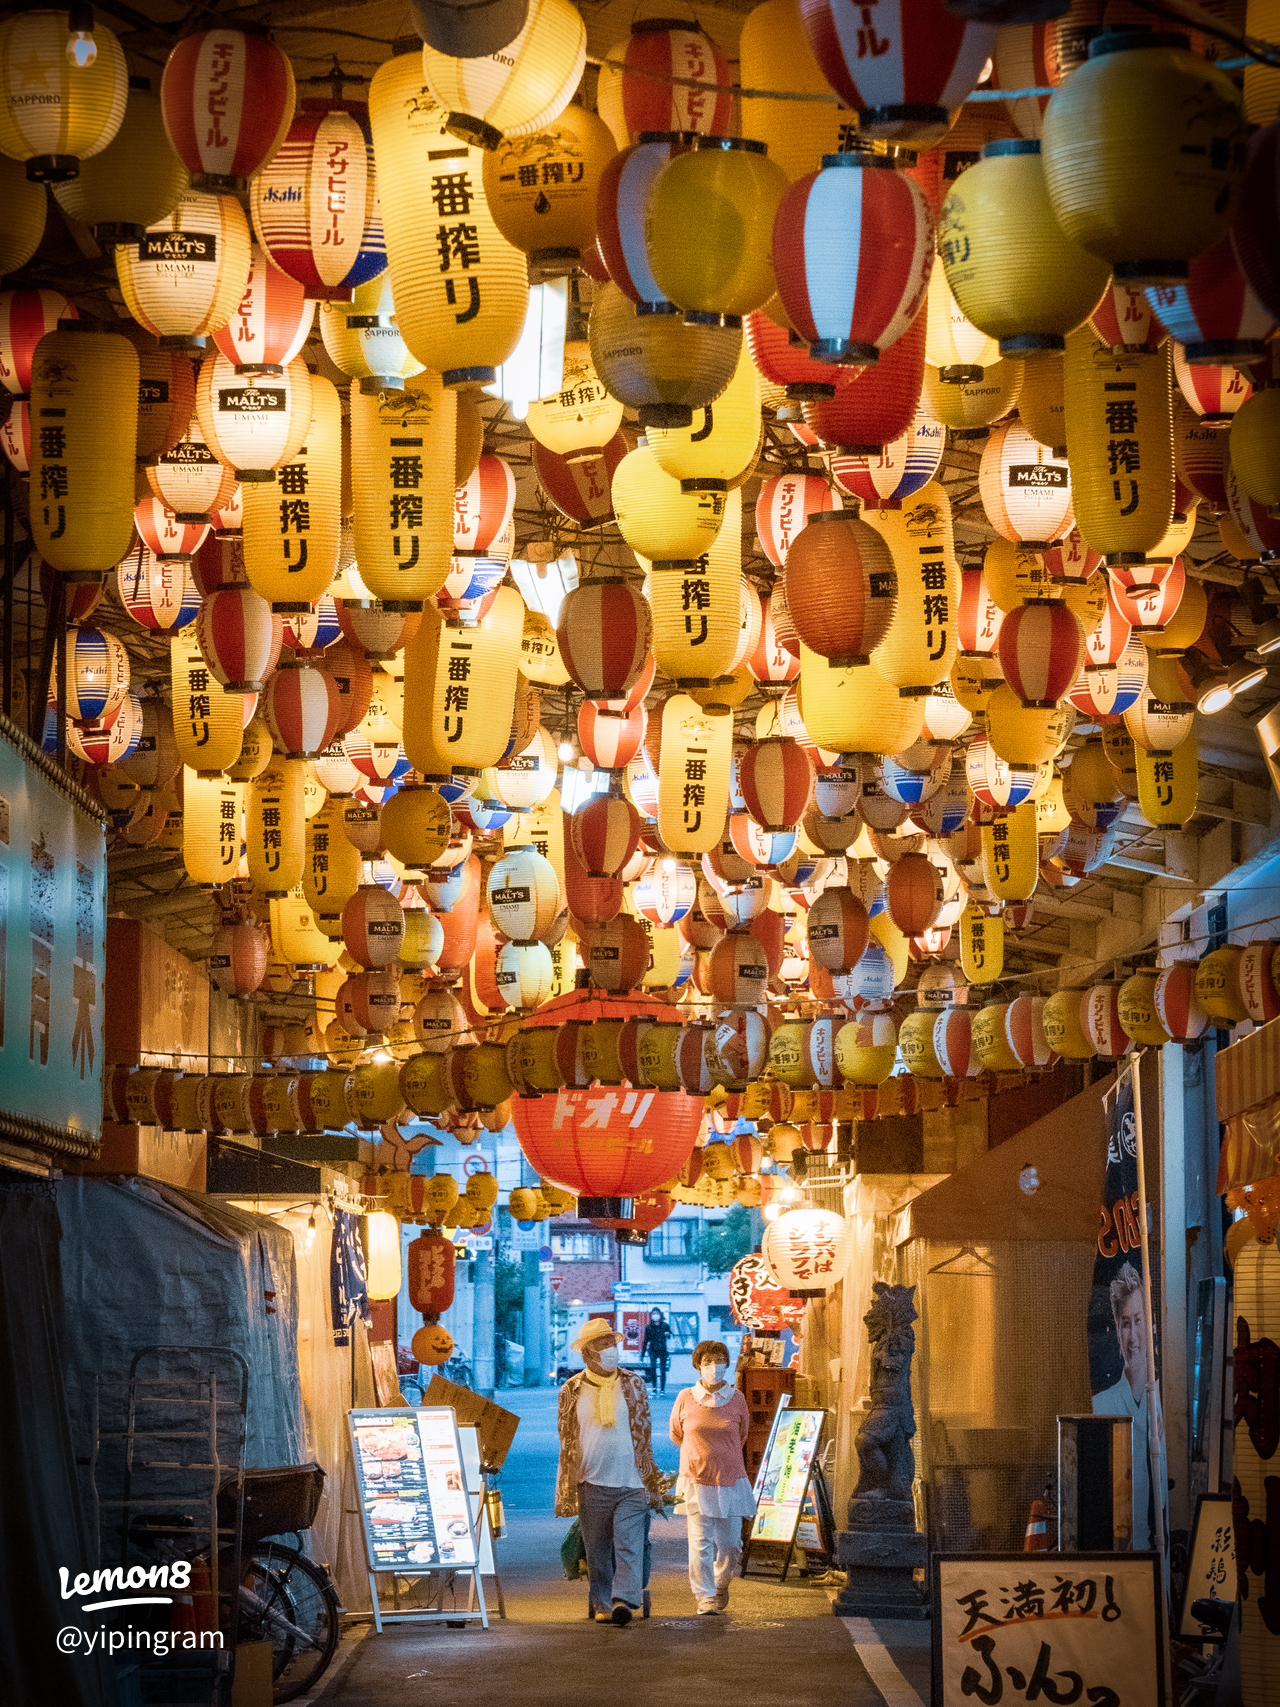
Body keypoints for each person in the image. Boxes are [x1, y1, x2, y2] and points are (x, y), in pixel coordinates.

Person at [556, 1317, 666, 1626]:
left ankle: (624, 1601)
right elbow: (566, 1440)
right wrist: (567, 1484)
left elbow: (644, 1432)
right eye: (603, 1345)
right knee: (598, 1551)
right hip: (591, 1481)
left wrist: (651, 1479)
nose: (611, 1350)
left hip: (632, 1480)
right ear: (587, 1353)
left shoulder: (633, 1384)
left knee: (630, 1543)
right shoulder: (571, 1390)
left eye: (612, 1344)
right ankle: (602, 1601)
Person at [670, 1340, 754, 1616]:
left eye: (718, 1360)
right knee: (700, 1543)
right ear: (698, 1365)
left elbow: (742, 1434)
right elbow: (676, 1434)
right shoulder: (685, 1397)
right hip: (696, 1480)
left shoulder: (737, 1398)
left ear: (727, 1364)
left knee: (731, 1545)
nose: (713, 1367)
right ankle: (704, 1596)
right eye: (707, 1362)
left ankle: (721, 1582)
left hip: (730, 1479)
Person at [1093, 1262, 1168, 1551]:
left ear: (1152, 1327)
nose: (1133, 1336)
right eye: (1125, 1323)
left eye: (1139, 1320)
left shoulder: (1161, 1399)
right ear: (1117, 1330)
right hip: (1117, 1556)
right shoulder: (1102, 1406)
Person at [641, 1307, 671, 1393]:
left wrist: (668, 1334)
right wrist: (642, 1354)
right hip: (652, 1350)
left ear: (660, 1315)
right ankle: (654, 1388)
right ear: (651, 1316)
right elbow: (645, 1341)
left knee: (662, 1370)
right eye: (653, 1314)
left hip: (663, 1350)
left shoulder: (665, 1326)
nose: (655, 1316)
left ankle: (662, 1389)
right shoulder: (649, 1327)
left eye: (657, 1314)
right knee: (653, 1368)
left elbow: (670, 1336)